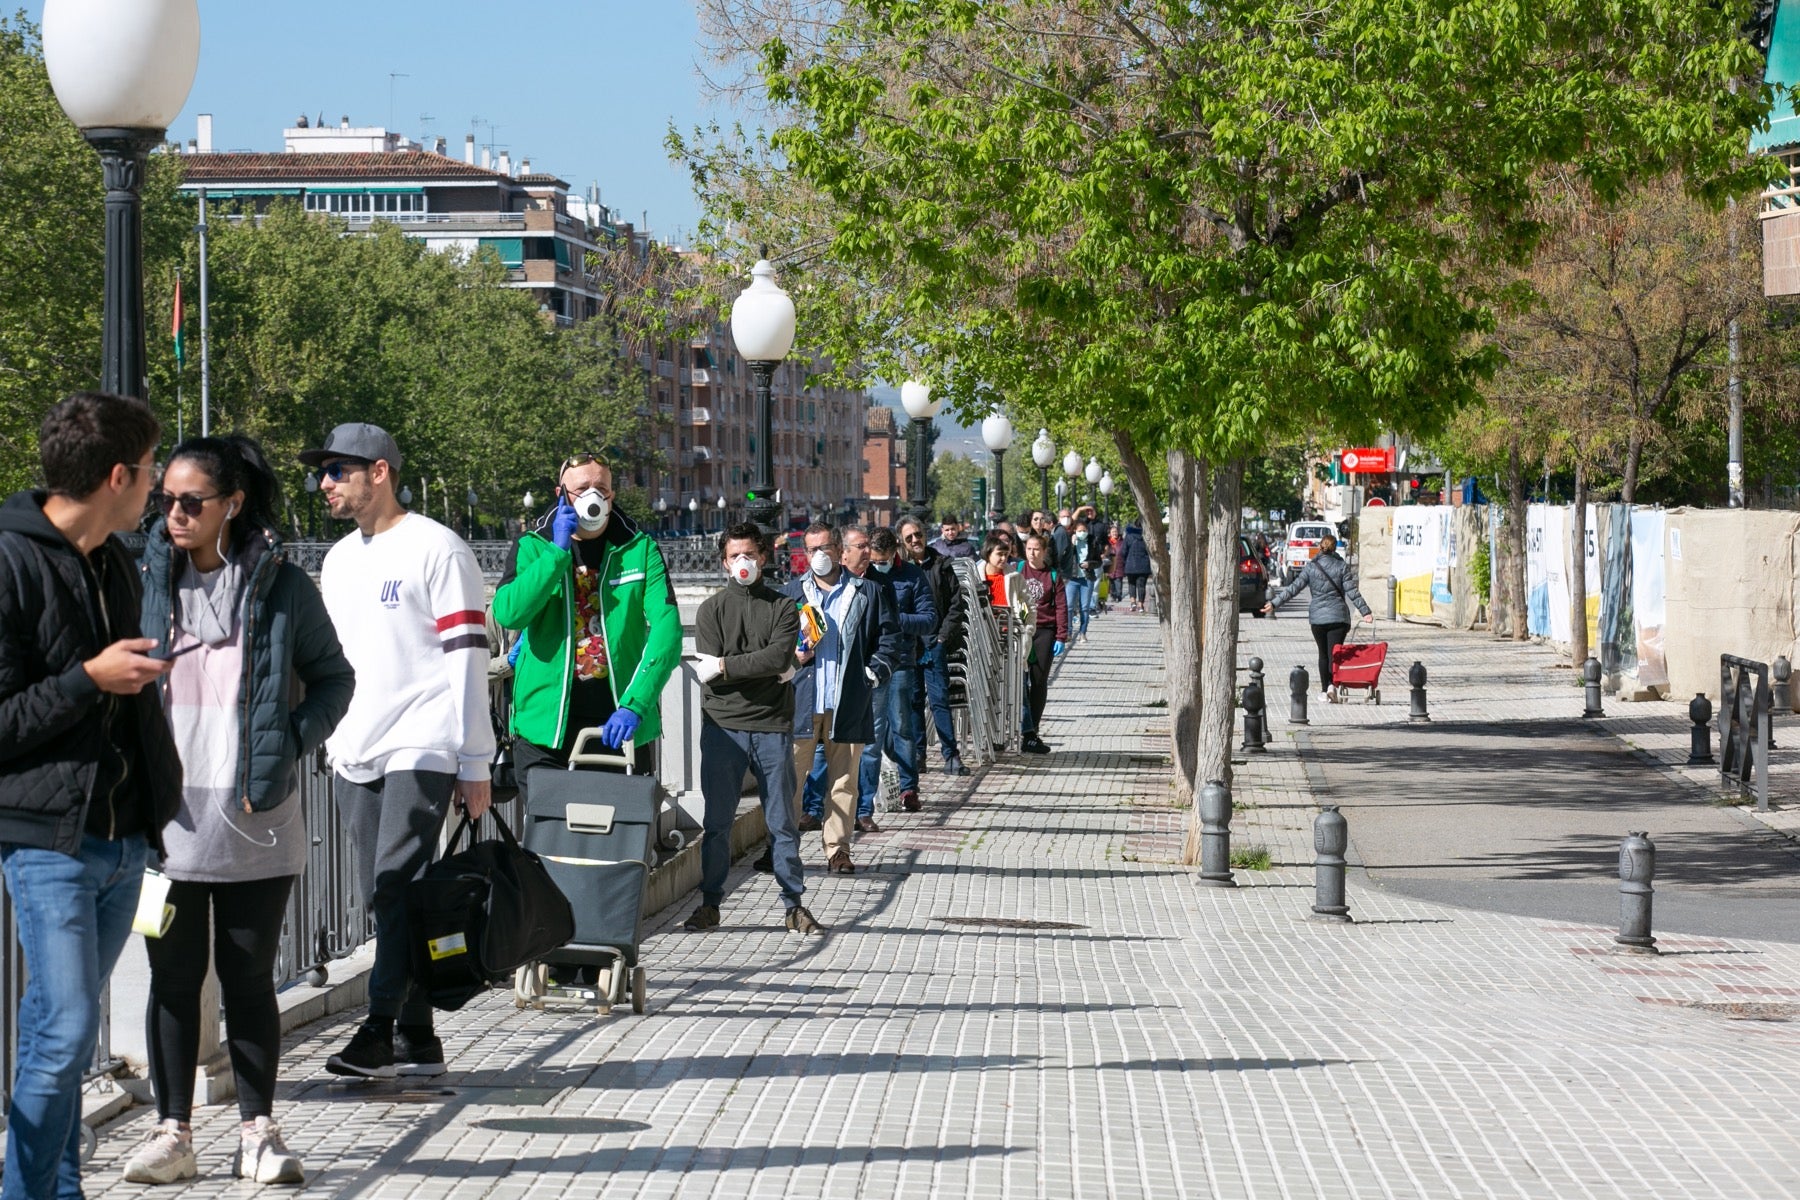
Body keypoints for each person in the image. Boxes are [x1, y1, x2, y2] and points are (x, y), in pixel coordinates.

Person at [127, 436, 355, 1185]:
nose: (175, 514)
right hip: (164, 827)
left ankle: (257, 1132)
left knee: (249, 979)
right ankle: (174, 1134)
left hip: (257, 820)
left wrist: (290, 739)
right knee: (171, 981)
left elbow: (334, 678)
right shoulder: (142, 578)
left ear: (233, 503)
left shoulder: (283, 586)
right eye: (166, 500)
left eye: (191, 502)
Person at [0, 392, 181, 1200]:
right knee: (67, 1028)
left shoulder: (114, 560)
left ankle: (60, 1186)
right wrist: (88, 679)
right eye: (149, 472)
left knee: (59, 1032)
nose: (158, 488)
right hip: (49, 840)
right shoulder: (9, 560)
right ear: (117, 477)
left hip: (124, 841)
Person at [303, 423, 494, 1080]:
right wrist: (328, 738)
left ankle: (377, 1029)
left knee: (395, 883)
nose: (324, 484)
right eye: (322, 472)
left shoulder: (438, 549)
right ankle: (418, 1035)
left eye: (336, 470)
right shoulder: (336, 561)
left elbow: (468, 658)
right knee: (383, 895)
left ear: (379, 472)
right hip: (355, 746)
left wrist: (475, 760)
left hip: (424, 740)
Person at [492, 452, 681, 783]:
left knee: (621, 817)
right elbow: (509, 613)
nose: (593, 496)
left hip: (617, 728)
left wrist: (636, 704)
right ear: (561, 495)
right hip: (544, 729)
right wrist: (555, 553)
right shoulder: (532, 546)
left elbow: (667, 630)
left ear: (612, 495)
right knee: (547, 819)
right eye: (581, 489)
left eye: (601, 488)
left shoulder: (640, 548)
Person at [685, 525, 821, 934]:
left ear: (763, 557)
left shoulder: (783, 607)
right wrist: (765, 667)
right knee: (717, 824)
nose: (742, 562)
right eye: (734, 556)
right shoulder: (711, 610)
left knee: (782, 822)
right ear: (724, 562)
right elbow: (715, 673)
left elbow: (776, 658)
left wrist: (727, 666)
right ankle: (710, 903)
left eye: (749, 554)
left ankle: (794, 904)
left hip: (771, 725)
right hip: (723, 727)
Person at [783, 524, 899, 875]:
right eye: (812, 549)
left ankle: (838, 850)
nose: (819, 555)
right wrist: (792, 658)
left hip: (846, 702)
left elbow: (889, 639)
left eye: (825, 547)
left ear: (839, 550)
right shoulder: (791, 594)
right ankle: (782, 849)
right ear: (804, 554)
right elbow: (774, 645)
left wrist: (871, 675)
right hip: (802, 701)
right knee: (789, 780)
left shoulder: (867, 592)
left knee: (844, 782)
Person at [856, 527, 934, 821]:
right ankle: (869, 796)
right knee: (875, 733)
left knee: (901, 724)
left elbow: (929, 619)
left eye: (884, 561)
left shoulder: (912, 575)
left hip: (900, 660)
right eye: (874, 561)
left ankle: (908, 787)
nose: (879, 565)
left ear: (894, 553)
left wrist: (892, 619)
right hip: (870, 663)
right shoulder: (863, 575)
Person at [1262, 531, 1372, 701]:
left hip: (1318, 619)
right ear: (1335, 548)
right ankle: (1332, 686)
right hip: (1338, 618)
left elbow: (1294, 588)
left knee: (1323, 654)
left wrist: (1275, 603)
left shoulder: (1311, 567)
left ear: (1320, 547)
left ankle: (1324, 690)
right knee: (1335, 653)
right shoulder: (1341, 566)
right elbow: (1352, 591)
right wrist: (1365, 612)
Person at [899, 517, 969, 776]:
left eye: (918, 534)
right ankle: (918, 755)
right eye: (909, 537)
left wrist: (942, 637)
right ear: (902, 541)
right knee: (914, 700)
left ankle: (951, 755)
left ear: (925, 534)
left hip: (934, 642)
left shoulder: (941, 564)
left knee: (940, 699)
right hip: (909, 644)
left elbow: (956, 604)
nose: (915, 540)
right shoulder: (899, 569)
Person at [1018, 533, 1068, 754]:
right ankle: (1021, 728)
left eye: (1036, 549)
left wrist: (1061, 636)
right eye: (1029, 548)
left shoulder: (1053, 576)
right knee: (1019, 682)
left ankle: (1033, 728)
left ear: (1044, 551)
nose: (1032, 553)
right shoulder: (1018, 570)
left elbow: (1061, 607)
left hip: (1044, 631)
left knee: (1038, 681)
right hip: (1020, 630)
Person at [980, 532, 1020, 610]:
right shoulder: (975, 577)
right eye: (999, 554)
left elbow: (1028, 603)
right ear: (988, 554)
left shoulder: (1014, 576)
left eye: (1005, 554)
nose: (1003, 558)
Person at [1121, 524, 1152, 612]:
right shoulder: (1146, 536)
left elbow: (1123, 551)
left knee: (1131, 584)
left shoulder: (1128, 536)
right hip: (1143, 565)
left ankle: (1133, 602)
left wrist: (1126, 560)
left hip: (1130, 564)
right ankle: (1141, 605)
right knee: (1141, 585)